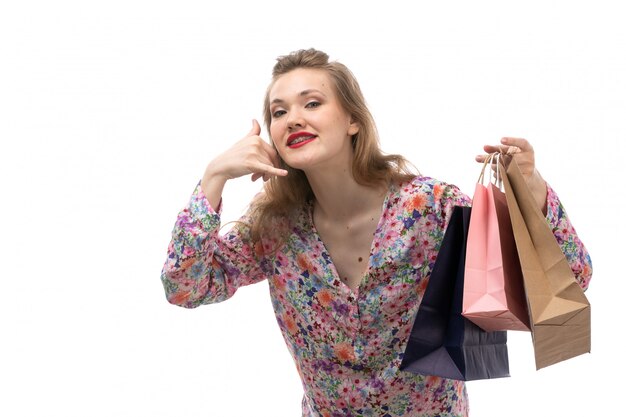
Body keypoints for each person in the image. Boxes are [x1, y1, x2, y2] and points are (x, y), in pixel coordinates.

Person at [160, 49, 592, 417]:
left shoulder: (430, 208)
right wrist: (214, 176)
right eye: (279, 112)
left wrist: (530, 188)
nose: (293, 119)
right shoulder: (275, 228)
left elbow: (569, 277)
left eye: (311, 103)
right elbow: (185, 286)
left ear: (352, 120)